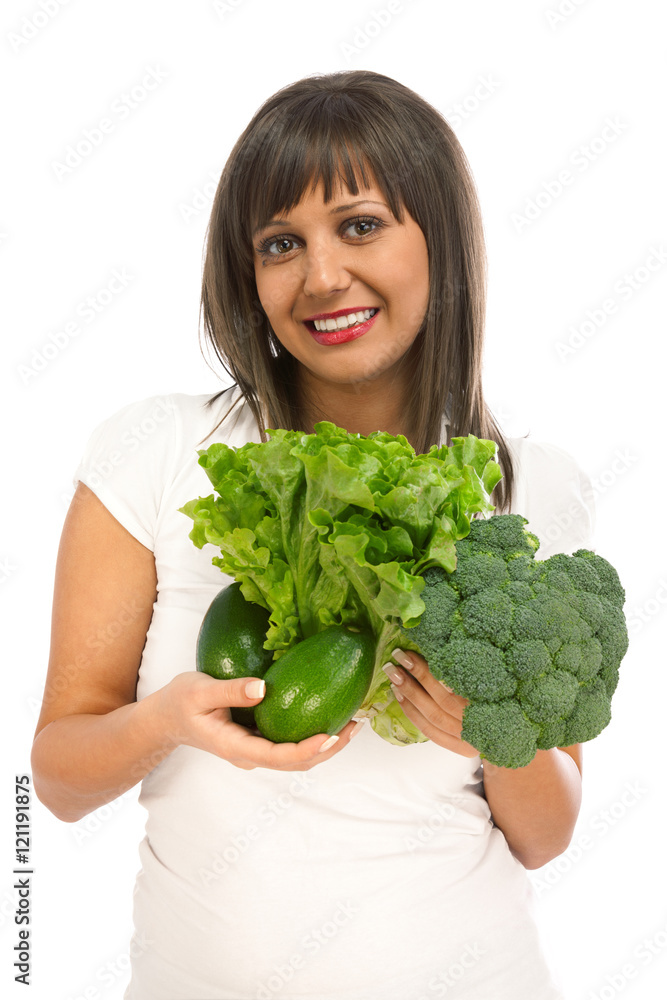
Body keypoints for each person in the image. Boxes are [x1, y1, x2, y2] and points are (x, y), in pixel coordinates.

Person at [32, 70, 595, 999]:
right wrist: (169, 720)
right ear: (245, 273)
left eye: (361, 225)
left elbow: (547, 836)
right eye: (280, 243)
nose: (322, 275)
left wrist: (495, 738)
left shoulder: (530, 485)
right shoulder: (161, 450)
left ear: (440, 241)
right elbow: (56, 781)